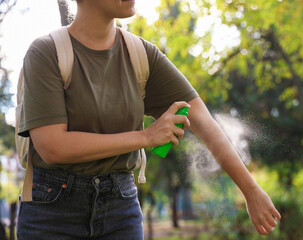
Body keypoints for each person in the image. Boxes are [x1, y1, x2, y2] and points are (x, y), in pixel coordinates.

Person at [17, 0, 281, 239]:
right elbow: (52, 147)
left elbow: (204, 121)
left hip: (120, 206)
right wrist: (145, 137)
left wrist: (251, 191)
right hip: (52, 211)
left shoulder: (141, 54)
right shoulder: (46, 53)